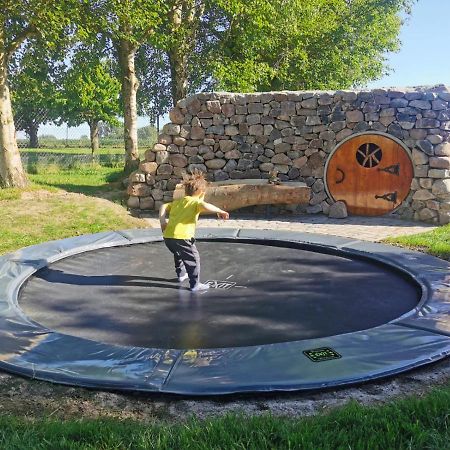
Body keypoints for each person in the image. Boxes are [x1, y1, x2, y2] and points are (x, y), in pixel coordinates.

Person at [159, 171, 229, 292]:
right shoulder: (196, 202)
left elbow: (163, 206)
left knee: (178, 254)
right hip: (183, 237)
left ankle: (181, 275)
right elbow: (206, 205)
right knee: (193, 259)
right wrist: (220, 211)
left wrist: (162, 222)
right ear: (202, 193)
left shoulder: (177, 202)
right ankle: (195, 284)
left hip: (168, 237)